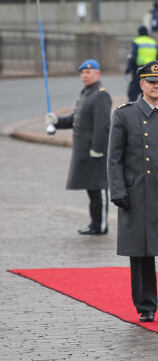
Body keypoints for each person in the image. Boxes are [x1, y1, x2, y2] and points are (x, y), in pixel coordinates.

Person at [107, 61, 158, 323]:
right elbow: (114, 158)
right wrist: (118, 190)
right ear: (141, 84)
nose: (156, 86)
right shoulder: (124, 114)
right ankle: (146, 305)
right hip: (136, 192)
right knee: (140, 251)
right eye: (151, 82)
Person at [45, 59, 112, 235]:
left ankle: (102, 225)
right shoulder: (86, 94)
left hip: (96, 152)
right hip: (85, 152)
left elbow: (102, 126)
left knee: (99, 189)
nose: (85, 75)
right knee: (91, 190)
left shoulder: (100, 95)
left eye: (89, 72)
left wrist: (98, 148)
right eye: (82, 72)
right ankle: (94, 223)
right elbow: (76, 119)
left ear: (97, 74)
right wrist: (56, 121)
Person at [125, 26, 158, 102]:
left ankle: (131, 109)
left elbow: (133, 56)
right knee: (149, 91)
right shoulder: (153, 42)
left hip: (140, 69)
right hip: (152, 70)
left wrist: (129, 69)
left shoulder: (137, 41)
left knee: (132, 92)